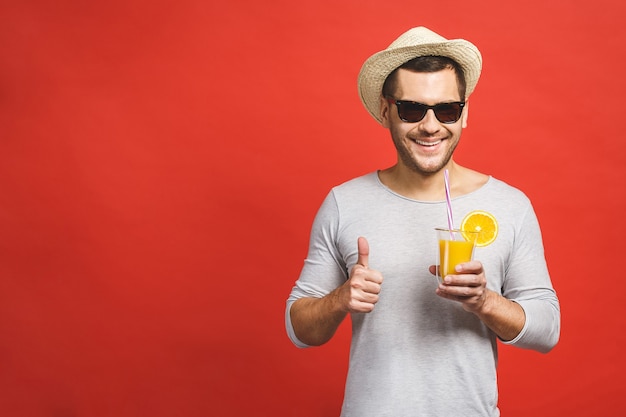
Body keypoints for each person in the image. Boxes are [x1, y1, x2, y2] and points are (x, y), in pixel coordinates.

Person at [285, 26, 560, 417]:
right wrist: (340, 299)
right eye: (413, 109)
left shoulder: (510, 205)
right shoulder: (345, 203)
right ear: (386, 111)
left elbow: (547, 330)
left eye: (447, 109)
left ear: (465, 114)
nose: (431, 126)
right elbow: (298, 329)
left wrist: (485, 302)